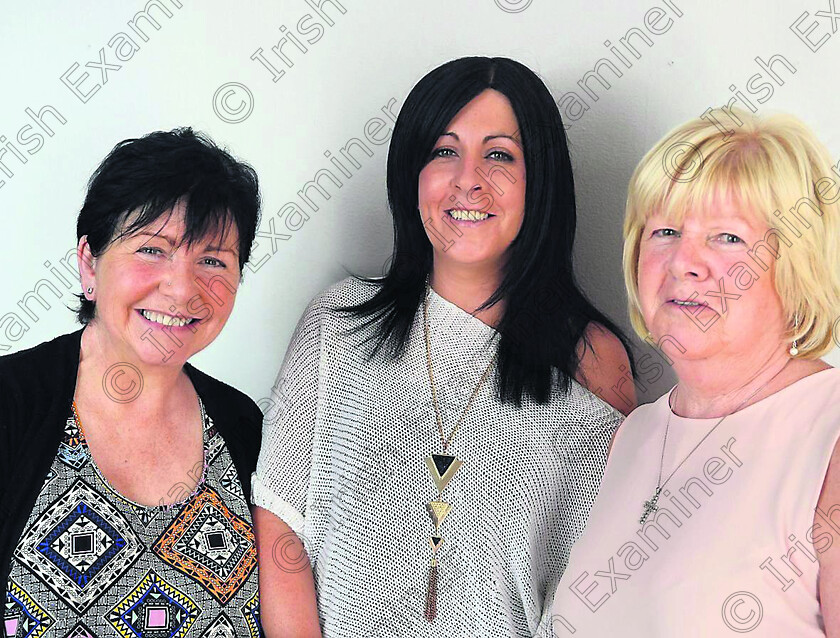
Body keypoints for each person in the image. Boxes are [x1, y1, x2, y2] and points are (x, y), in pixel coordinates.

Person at [253, 56, 636, 637]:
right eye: (443, 151)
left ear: (541, 183)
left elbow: (605, 585)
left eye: (501, 155)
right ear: (412, 176)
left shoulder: (590, 360)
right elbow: (281, 530)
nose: (468, 179)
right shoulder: (336, 328)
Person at [0, 129, 318, 636]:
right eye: (153, 249)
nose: (182, 288)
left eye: (212, 260)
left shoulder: (244, 427)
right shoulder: (13, 403)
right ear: (89, 262)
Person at [550, 109, 840, 636]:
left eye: (727, 237)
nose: (685, 260)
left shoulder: (829, 434)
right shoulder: (632, 434)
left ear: (797, 261)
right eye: (665, 230)